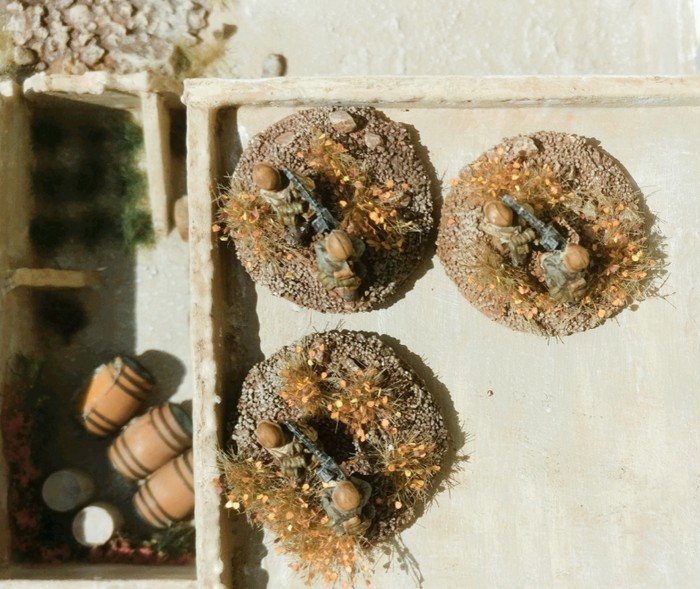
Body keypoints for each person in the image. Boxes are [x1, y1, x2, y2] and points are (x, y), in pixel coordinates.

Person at [314, 230, 366, 301]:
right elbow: (361, 246)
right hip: (336, 276)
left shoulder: (325, 258)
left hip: (346, 274)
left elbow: (318, 248)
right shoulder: (326, 260)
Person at [481, 200, 536, 266]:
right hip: (516, 237)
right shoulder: (519, 217)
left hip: (516, 241)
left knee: (520, 255)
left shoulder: (491, 228)